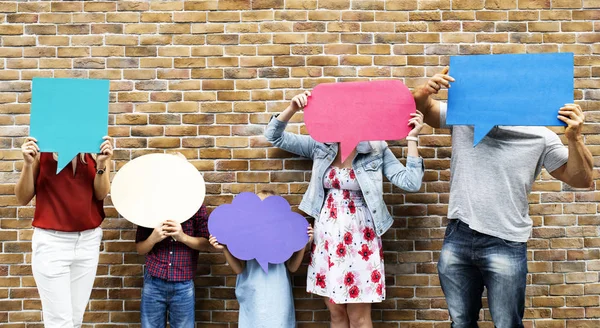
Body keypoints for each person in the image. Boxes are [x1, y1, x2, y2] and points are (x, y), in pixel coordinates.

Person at [413, 67, 594, 328]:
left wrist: (575, 138)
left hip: (506, 242)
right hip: (459, 235)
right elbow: (425, 108)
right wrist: (425, 90)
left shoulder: (542, 136)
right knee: (461, 322)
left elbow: (581, 179)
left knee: (507, 324)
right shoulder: (464, 118)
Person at [264, 91, 425, 328]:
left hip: (361, 238)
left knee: (359, 318)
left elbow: (410, 182)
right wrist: (292, 109)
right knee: (336, 315)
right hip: (327, 237)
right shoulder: (321, 144)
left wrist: (412, 139)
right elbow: (273, 136)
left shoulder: (376, 147)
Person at [15, 136, 113, 328]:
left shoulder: (95, 145)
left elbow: (101, 194)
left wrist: (102, 164)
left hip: (88, 241)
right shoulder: (42, 146)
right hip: (52, 243)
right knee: (59, 322)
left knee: (75, 320)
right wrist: (28, 164)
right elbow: (22, 197)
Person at [209, 190, 314, 328]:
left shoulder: (282, 236)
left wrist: (302, 243)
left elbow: (292, 267)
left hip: (278, 294)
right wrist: (225, 249)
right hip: (252, 294)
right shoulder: (245, 237)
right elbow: (239, 269)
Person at [136, 197, 211, 328]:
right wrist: (153, 238)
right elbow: (140, 249)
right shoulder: (150, 204)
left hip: (183, 284)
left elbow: (206, 244)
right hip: (153, 281)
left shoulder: (196, 205)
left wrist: (182, 237)